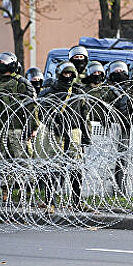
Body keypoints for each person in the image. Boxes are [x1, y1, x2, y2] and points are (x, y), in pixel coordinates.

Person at [0, 52, 38, 202]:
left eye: (4, 63)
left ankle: (25, 192)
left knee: (21, 160)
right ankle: (5, 193)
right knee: (1, 161)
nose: (1, 65)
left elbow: (31, 106)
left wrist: (33, 127)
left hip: (17, 128)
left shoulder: (21, 83)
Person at [38, 61, 91, 207]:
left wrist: (86, 135)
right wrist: (54, 125)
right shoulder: (50, 92)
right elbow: (42, 112)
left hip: (73, 132)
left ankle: (77, 201)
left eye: (70, 74)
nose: (68, 76)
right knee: (54, 167)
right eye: (65, 74)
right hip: (55, 134)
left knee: (75, 167)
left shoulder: (78, 92)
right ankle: (50, 202)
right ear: (59, 74)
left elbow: (83, 115)